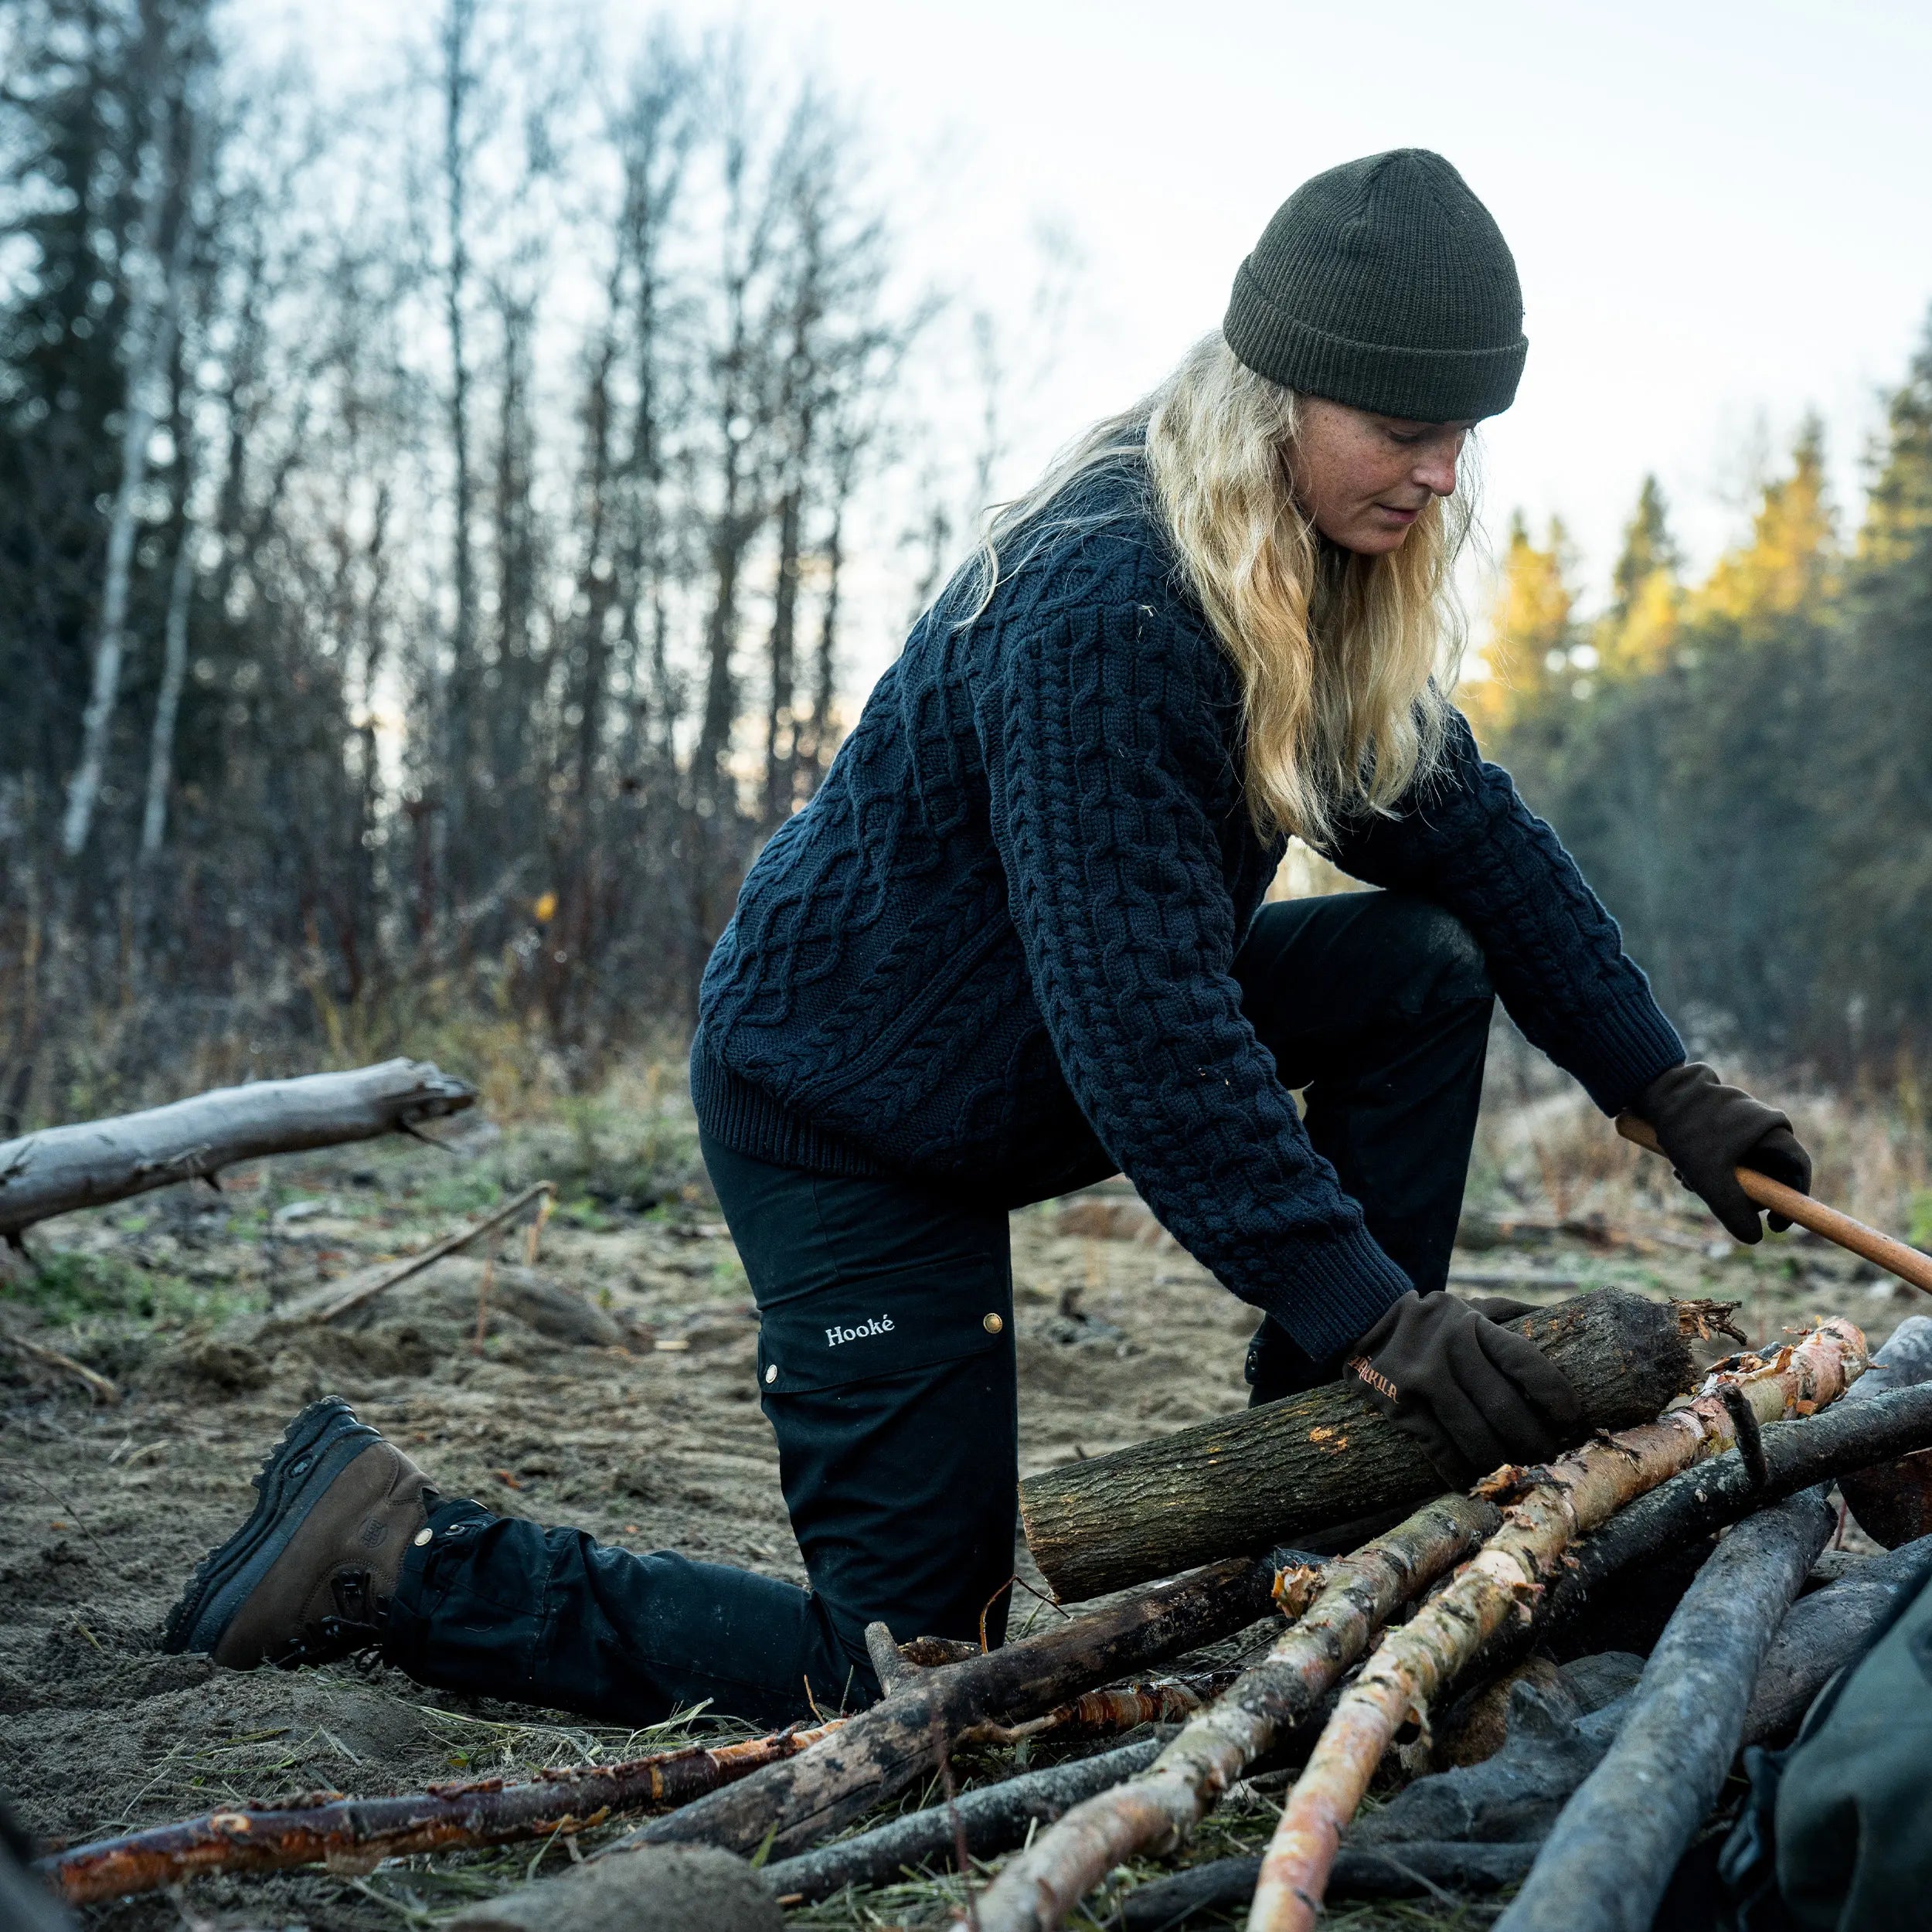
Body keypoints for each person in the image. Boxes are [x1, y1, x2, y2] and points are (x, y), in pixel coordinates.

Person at [165, 148, 1811, 1728]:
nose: (1439, 470)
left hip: (1014, 1064)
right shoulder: (1109, 605)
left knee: (1422, 962)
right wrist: (1381, 1311)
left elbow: (1472, 839)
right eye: (1401, 428)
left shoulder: (1303, 572)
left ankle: (1314, 1491)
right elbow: (1152, 1037)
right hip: (847, 1116)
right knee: (911, 1668)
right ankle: (403, 1552)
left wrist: (1663, 1086)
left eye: (1458, 431)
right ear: (1280, 396)